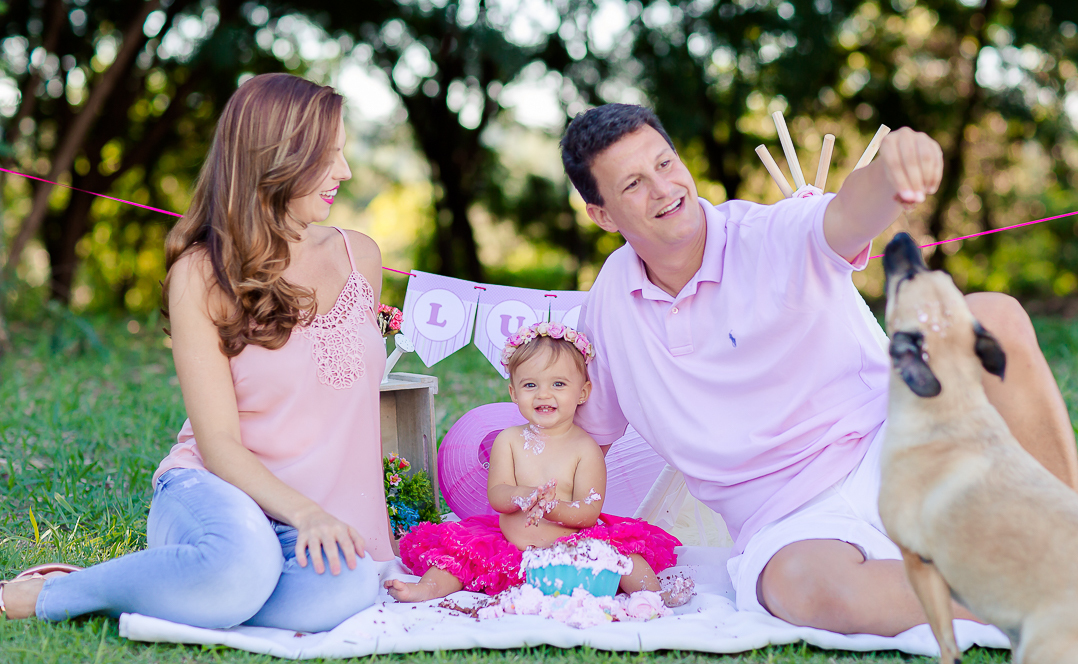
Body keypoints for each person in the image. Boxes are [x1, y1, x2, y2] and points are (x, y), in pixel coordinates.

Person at [560, 103, 1078, 636]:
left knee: (991, 317)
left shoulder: (768, 233)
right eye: (633, 184)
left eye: (666, 163)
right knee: (805, 589)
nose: (663, 188)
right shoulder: (608, 303)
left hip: (894, 447)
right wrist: (549, 537)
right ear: (603, 214)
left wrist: (890, 172)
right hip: (790, 522)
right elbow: (585, 439)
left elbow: (848, 215)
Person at [0, 74, 388, 631]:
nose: (345, 172)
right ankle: (56, 592)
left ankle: (190, 586)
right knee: (241, 565)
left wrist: (319, 519)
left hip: (308, 525)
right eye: (328, 156)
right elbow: (219, 445)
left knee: (348, 587)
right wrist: (304, 512)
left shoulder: (360, 258)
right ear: (276, 158)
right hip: (216, 493)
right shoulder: (200, 276)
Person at [386, 324, 681, 603]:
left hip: (571, 546)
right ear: (514, 393)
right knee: (460, 553)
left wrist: (552, 507)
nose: (543, 394)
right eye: (530, 384)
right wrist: (523, 496)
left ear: (582, 393)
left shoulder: (585, 449)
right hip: (510, 545)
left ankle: (653, 595)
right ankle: (426, 589)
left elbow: (589, 511)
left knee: (625, 555)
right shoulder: (508, 440)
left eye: (558, 384)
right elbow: (498, 494)